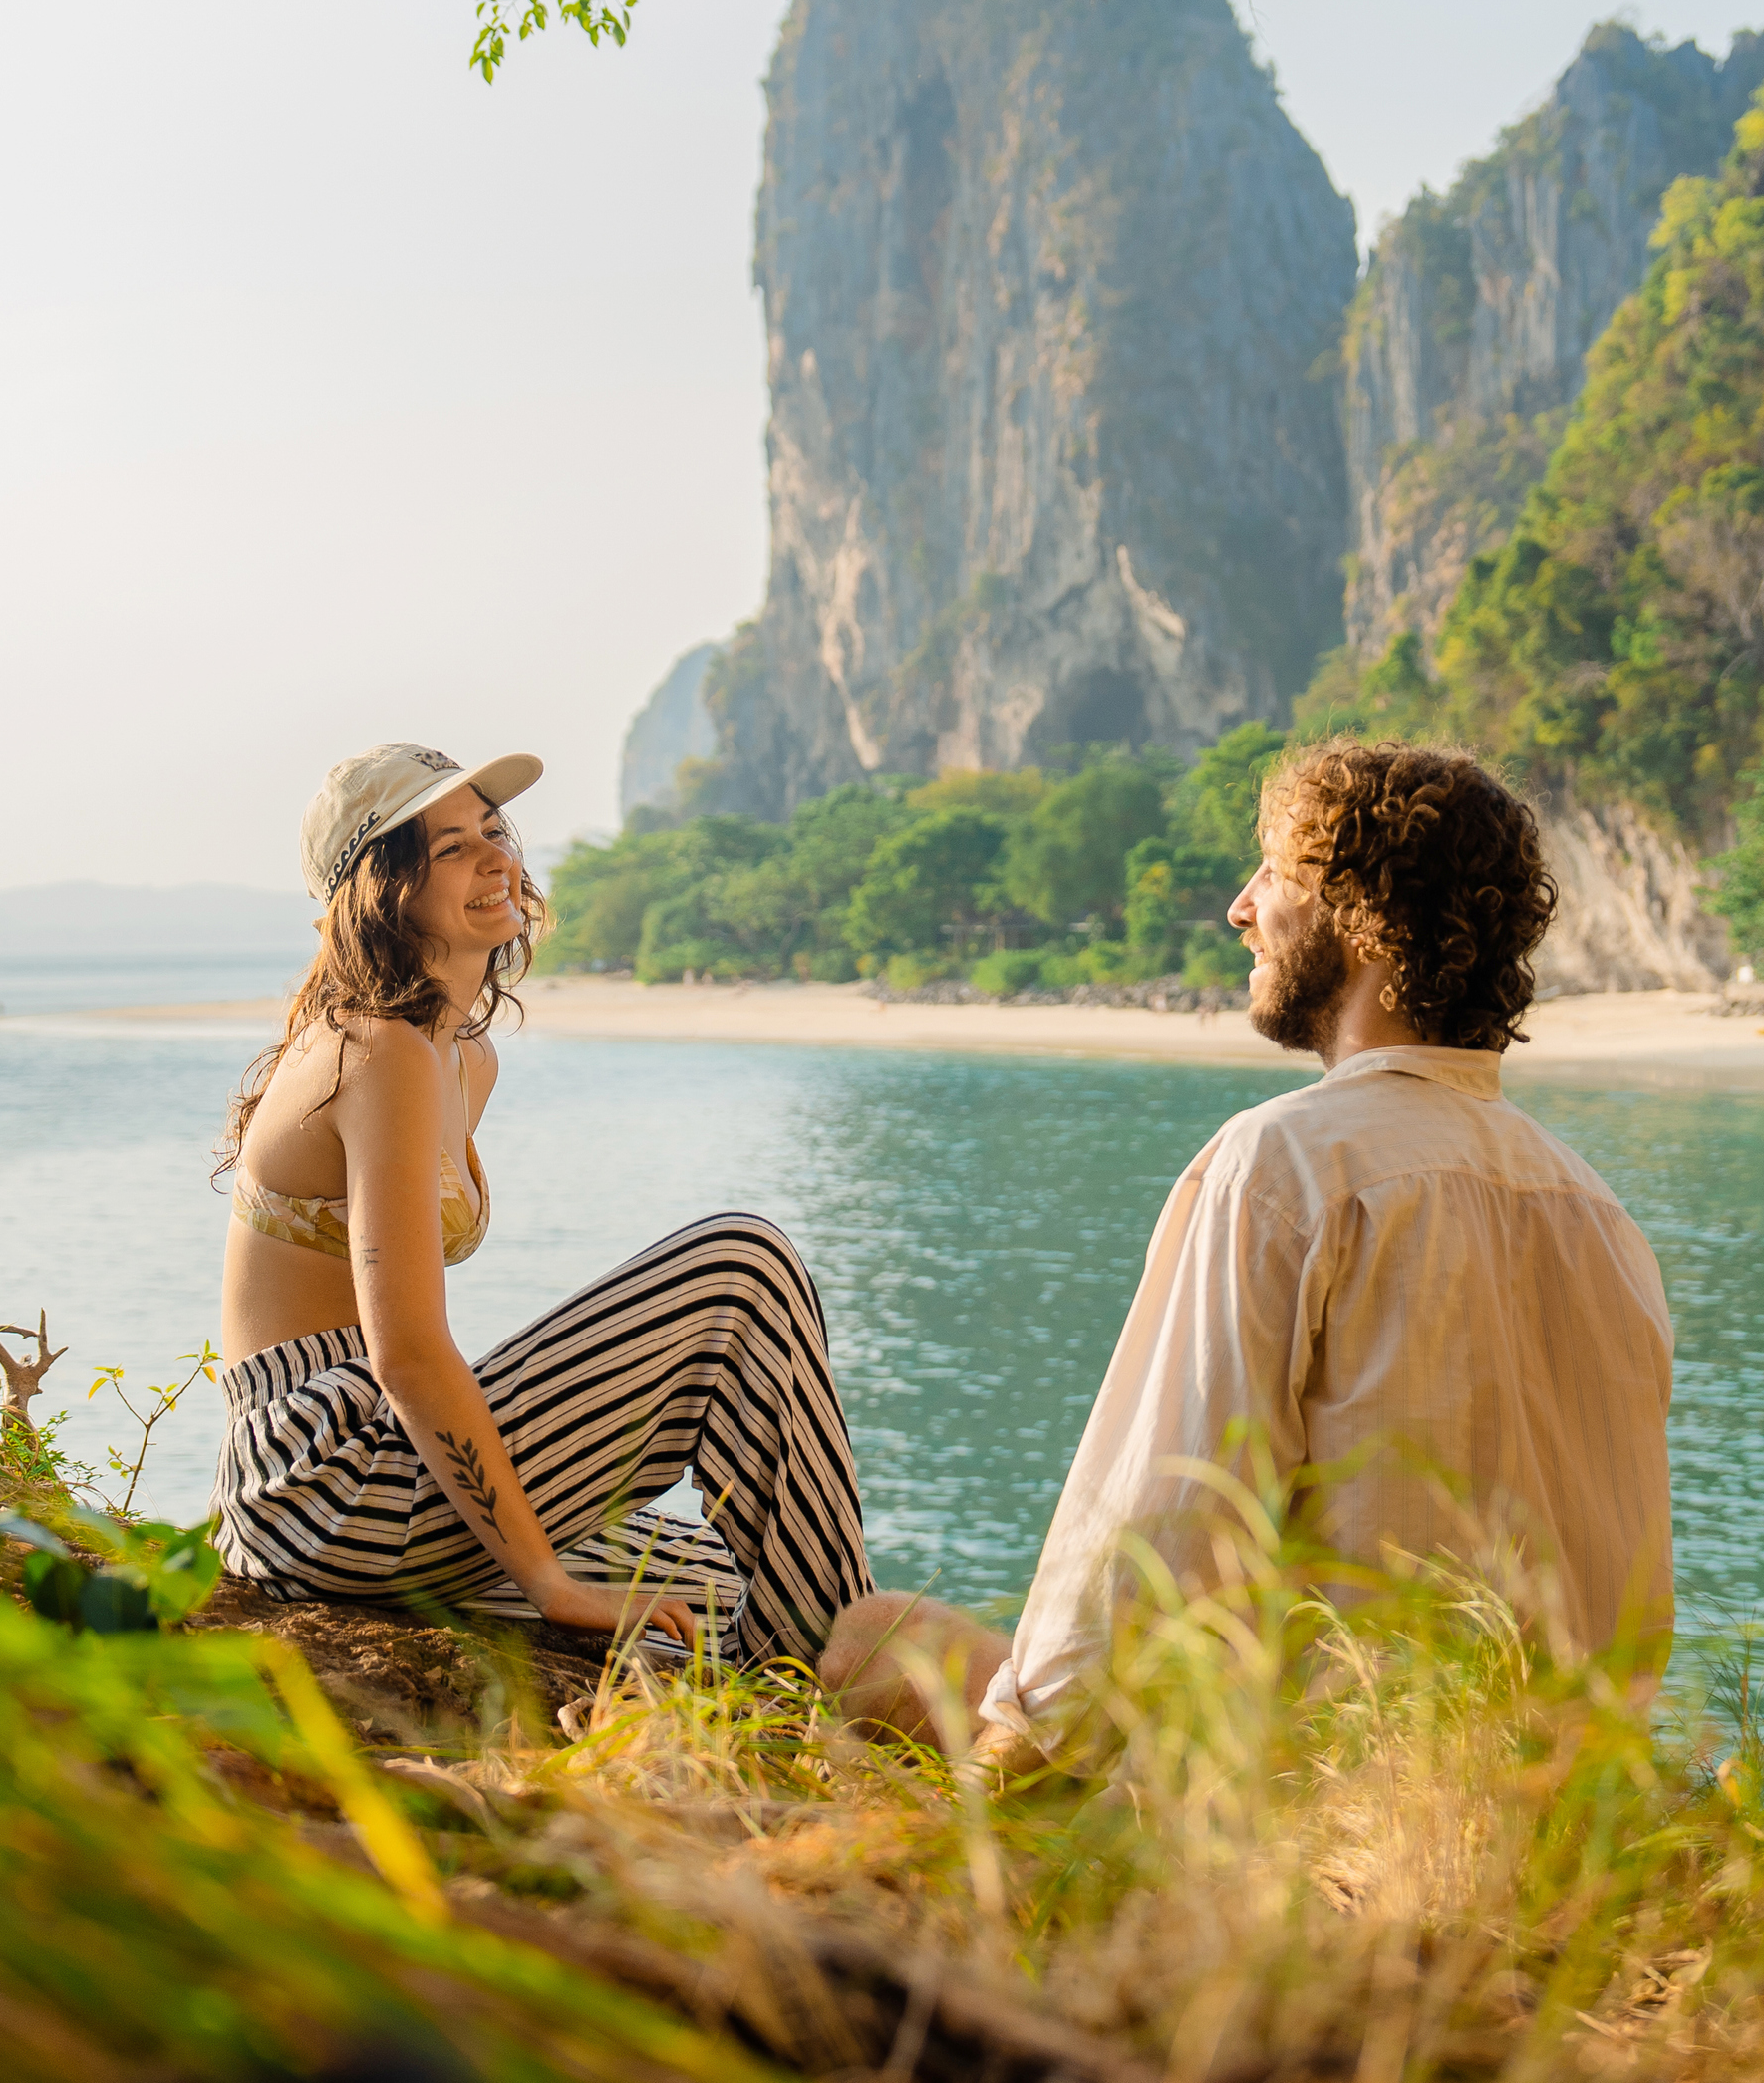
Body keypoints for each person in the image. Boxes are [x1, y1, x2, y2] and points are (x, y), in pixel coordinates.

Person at [822, 741, 1678, 1757]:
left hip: (1314, 1793)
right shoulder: (1601, 1214)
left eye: (1271, 870)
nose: (1238, 906)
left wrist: (1014, 1775)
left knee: (873, 1636)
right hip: (1561, 1800)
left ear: (1358, 911)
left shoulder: (1282, 1164)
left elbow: (1152, 1539)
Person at [212, 744, 879, 1671]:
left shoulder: (458, 1055)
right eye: (450, 847)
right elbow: (405, 1351)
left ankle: (829, 1667)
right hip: (321, 1478)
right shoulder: (377, 1049)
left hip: (375, 1463)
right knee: (739, 1267)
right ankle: (851, 1673)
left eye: (494, 832)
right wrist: (548, 1581)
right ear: (381, 887)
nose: (497, 859)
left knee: (727, 1591)